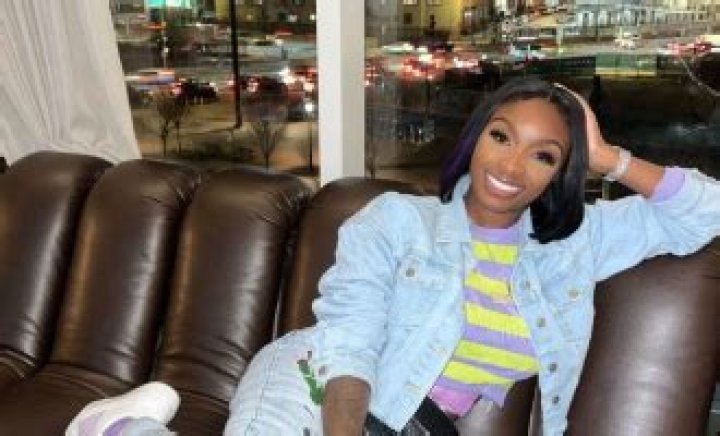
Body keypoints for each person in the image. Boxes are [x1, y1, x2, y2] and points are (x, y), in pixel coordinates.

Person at [66, 77, 720, 436]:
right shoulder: (398, 220)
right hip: (318, 378)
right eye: (501, 137)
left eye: (544, 155)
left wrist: (608, 158)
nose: (512, 165)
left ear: (560, 172)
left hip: (418, 425)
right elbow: (349, 339)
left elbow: (707, 211)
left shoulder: (578, 244)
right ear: (477, 138)